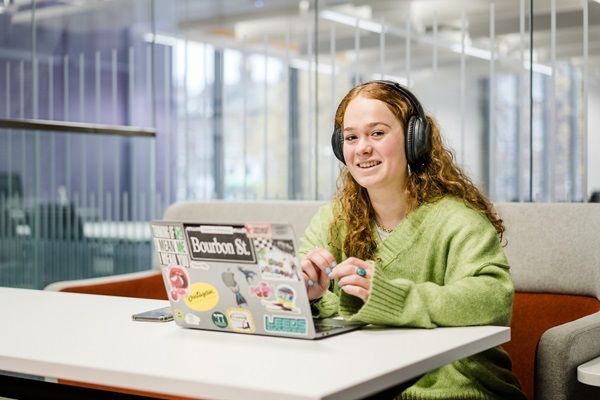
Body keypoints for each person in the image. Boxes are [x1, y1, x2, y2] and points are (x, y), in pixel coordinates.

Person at [298, 80, 526, 399]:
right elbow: (300, 294)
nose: (362, 147)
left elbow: (492, 299)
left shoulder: (457, 220)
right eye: (351, 137)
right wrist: (308, 295)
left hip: (455, 389)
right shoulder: (331, 219)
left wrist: (393, 299)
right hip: (356, 381)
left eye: (377, 133)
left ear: (413, 139)